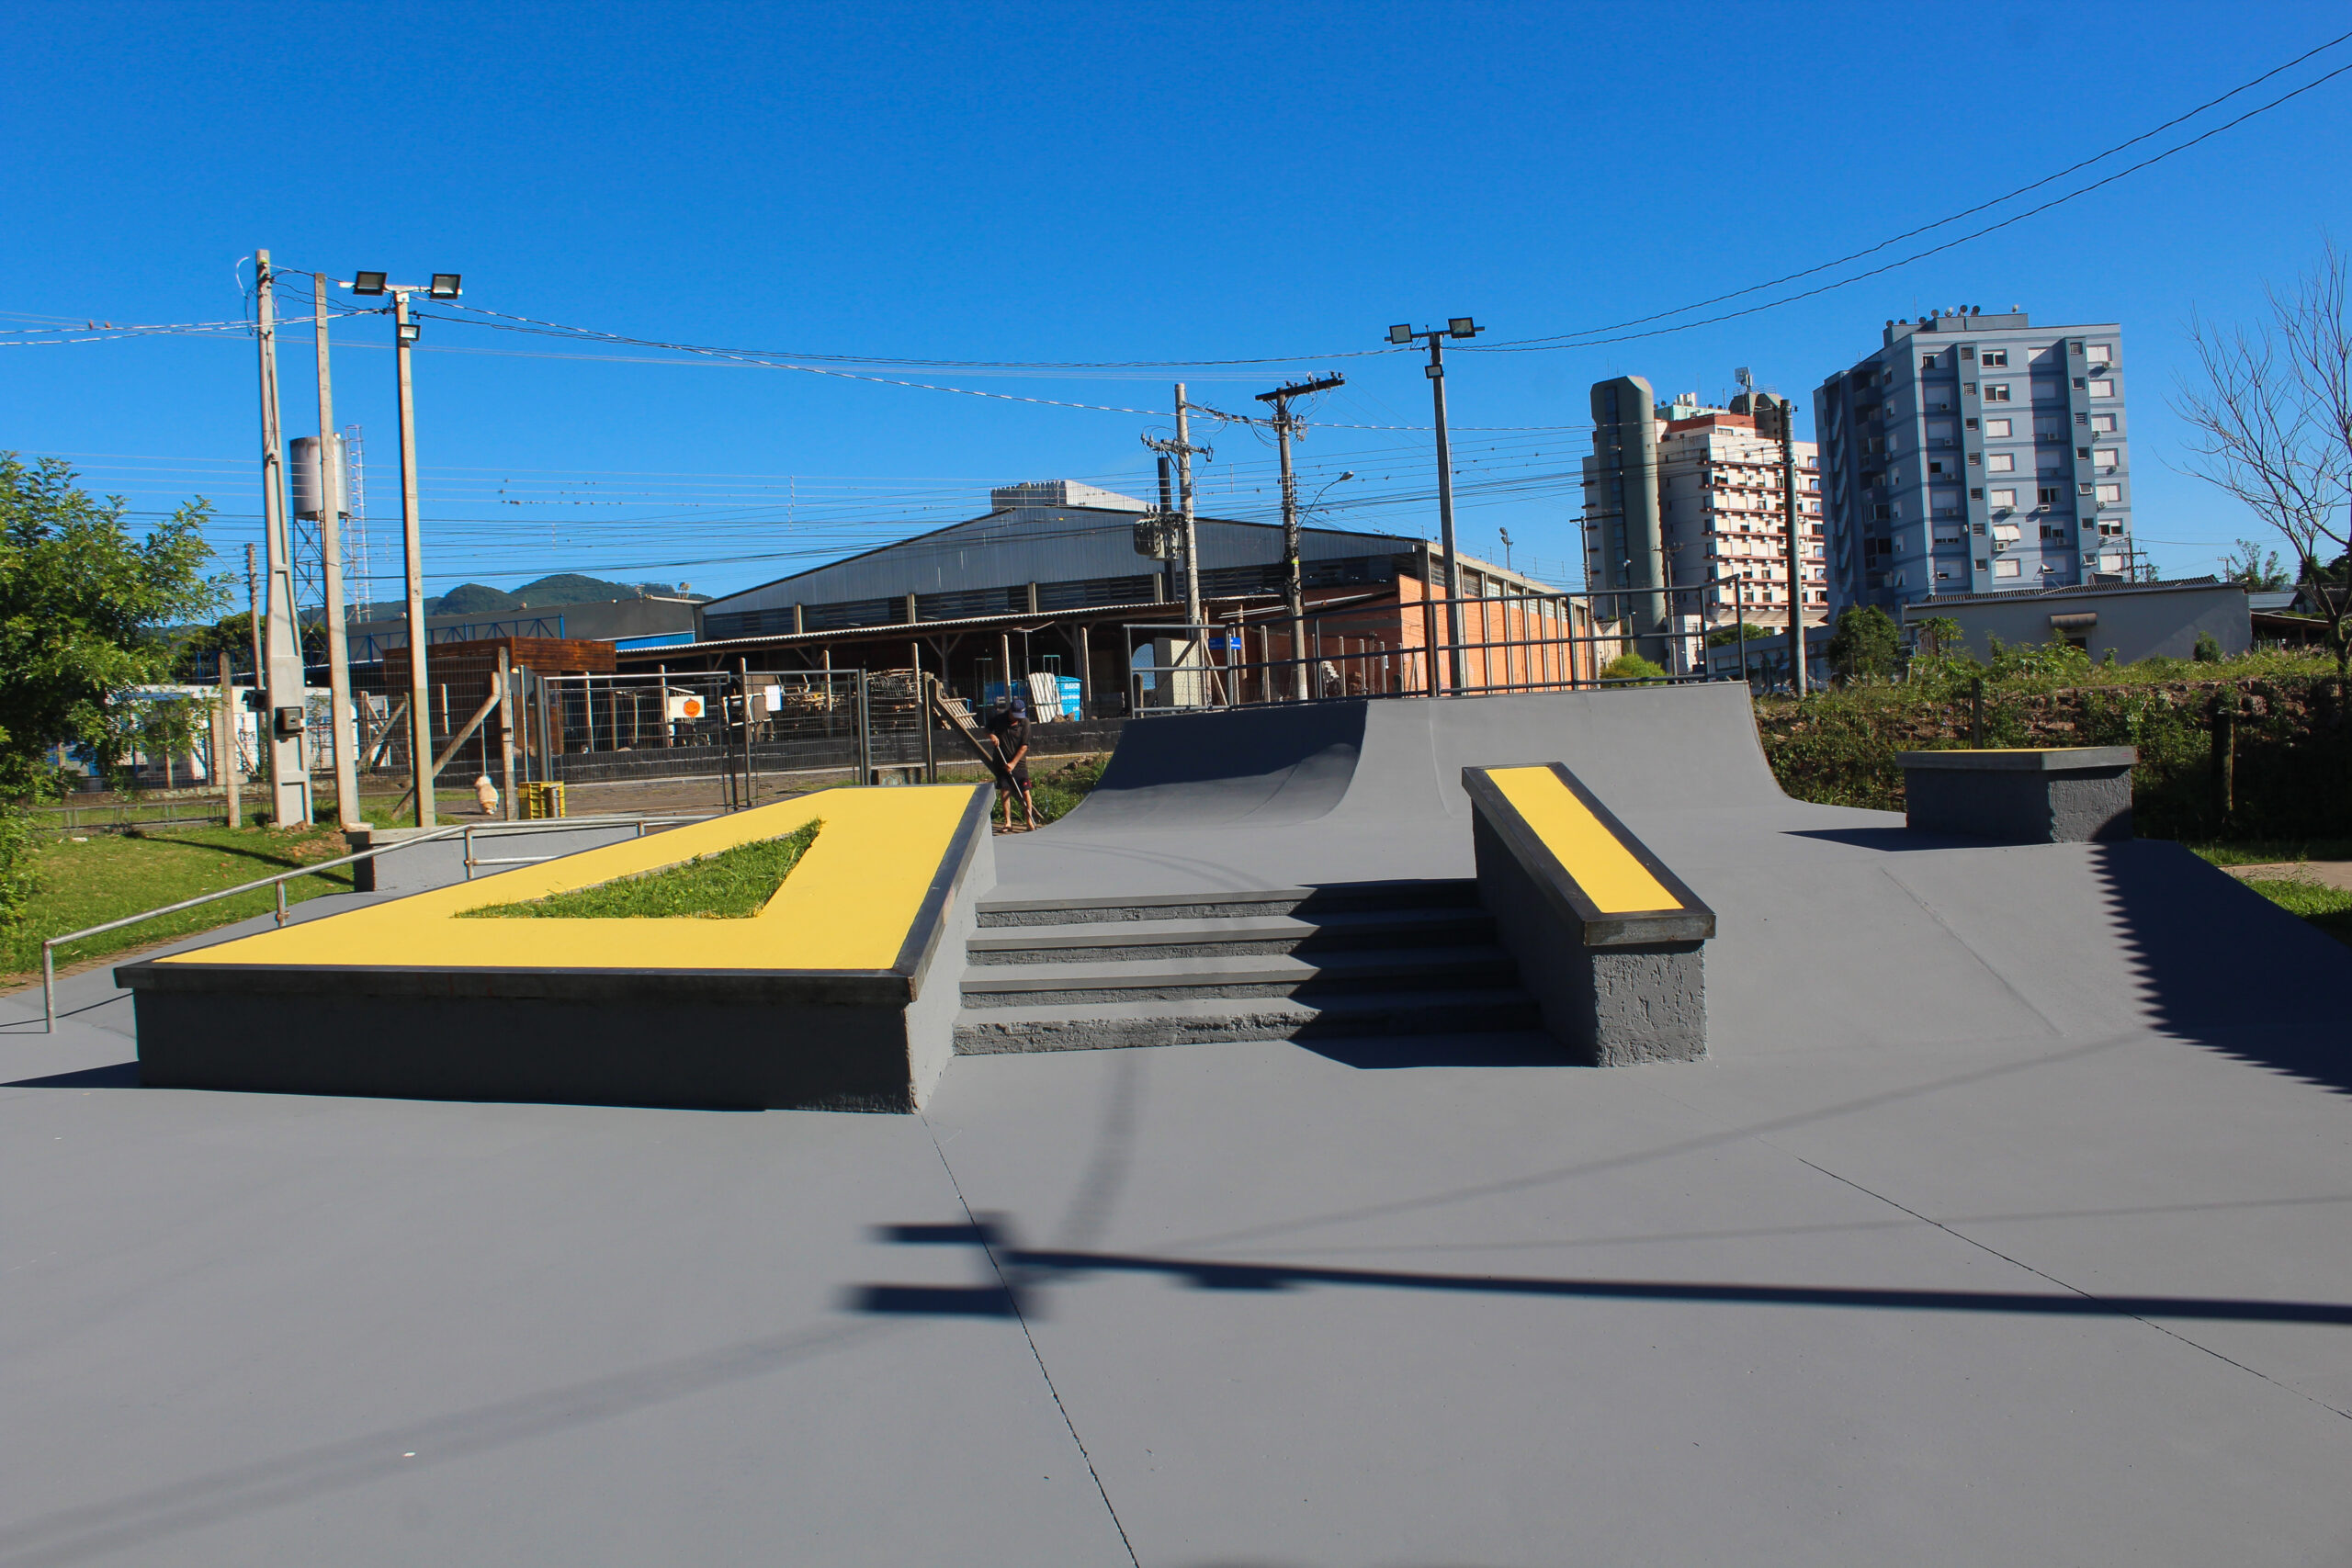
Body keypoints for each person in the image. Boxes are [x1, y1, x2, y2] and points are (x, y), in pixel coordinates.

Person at [984, 694, 1038, 829]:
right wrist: (992, 736)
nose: (1018, 719)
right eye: (1015, 716)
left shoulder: (1025, 723)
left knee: (1025, 791)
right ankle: (1007, 822)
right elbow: (986, 729)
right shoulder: (999, 719)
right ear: (1010, 712)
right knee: (1005, 790)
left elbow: (1024, 746)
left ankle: (1029, 821)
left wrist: (1013, 763)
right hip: (1001, 761)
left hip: (1018, 764)